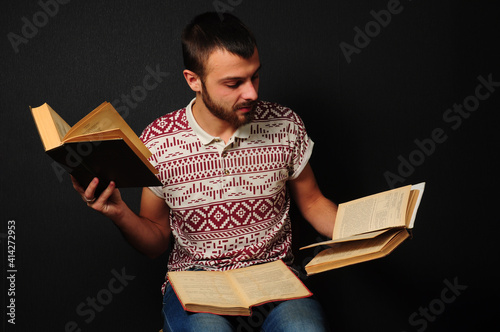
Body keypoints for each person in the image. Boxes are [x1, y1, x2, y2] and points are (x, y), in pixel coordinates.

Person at [72, 12, 338, 332]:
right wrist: (118, 213)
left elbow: (313, 203)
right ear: (193, 80)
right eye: (233, 83)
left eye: (254, 76)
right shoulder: (159, 140)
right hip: (197, 282)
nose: (251, 93)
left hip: (275, 279)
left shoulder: (285, 124)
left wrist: (367, 230)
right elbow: (156, 240)